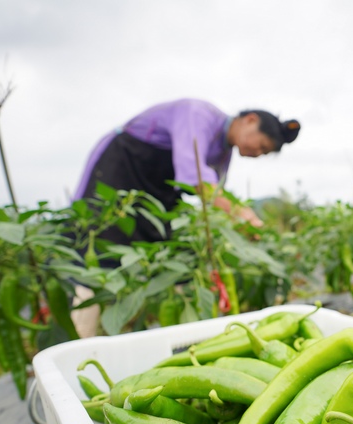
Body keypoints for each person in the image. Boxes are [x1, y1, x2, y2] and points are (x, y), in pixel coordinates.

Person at [70, 98, 300, 336]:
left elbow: (213, 200)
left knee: (166, 253)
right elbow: (197, 180)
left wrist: (236, 228)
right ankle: (81, 337)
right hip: (122, 169)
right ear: (250, 120)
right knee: (100, 249)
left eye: (264, 153)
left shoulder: (223, 153)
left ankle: (136, 334)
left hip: (157, 192)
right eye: (261, 146)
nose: (257, 154)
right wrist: (240, 213)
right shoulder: (197, 114)